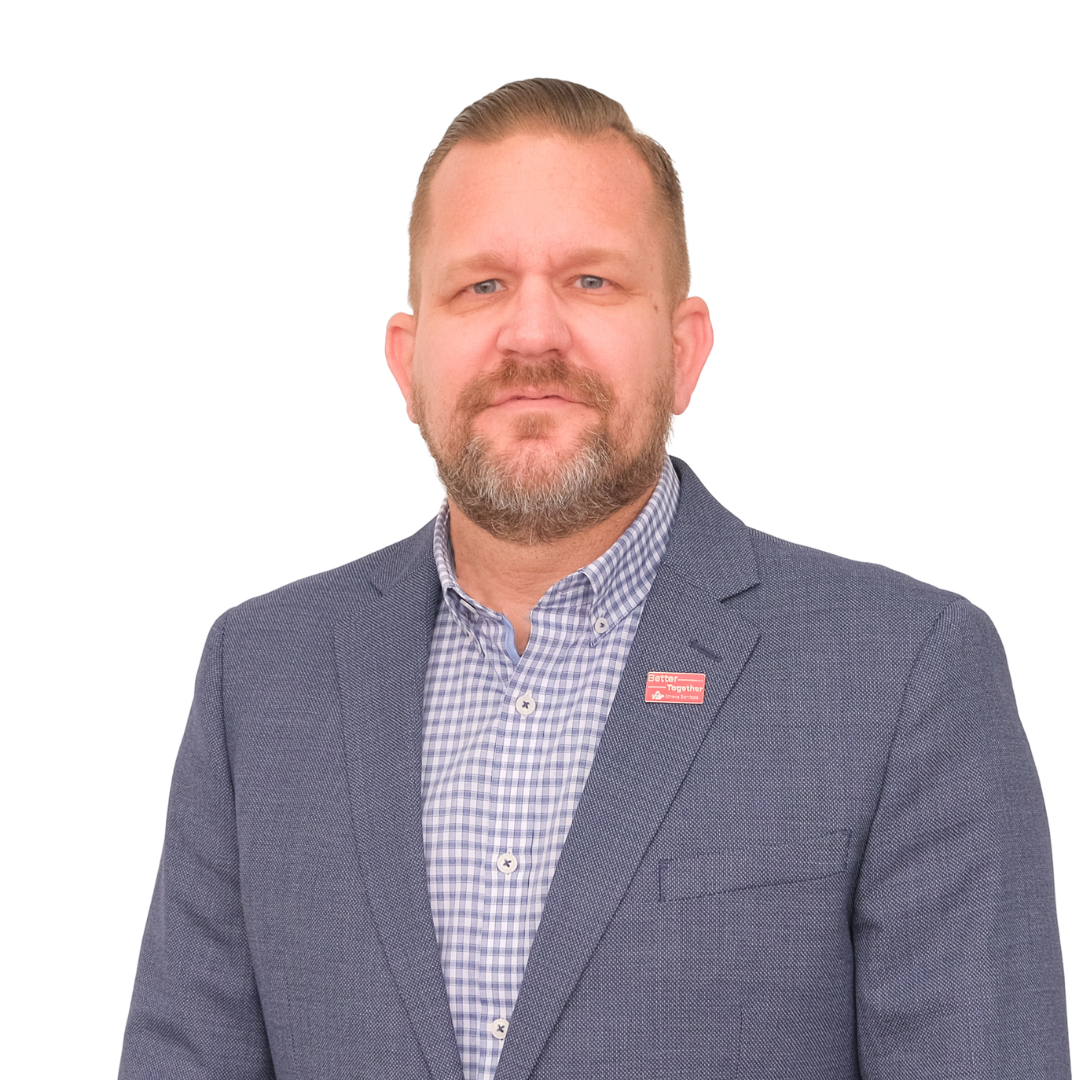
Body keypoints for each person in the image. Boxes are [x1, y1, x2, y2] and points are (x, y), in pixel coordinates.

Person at [119, 78, 1069, 1079]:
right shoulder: (260, 676)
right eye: (480, 286)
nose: (531, 335)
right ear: (409, 362)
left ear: (683, 349)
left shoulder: (902, 677)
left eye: (592, 282)